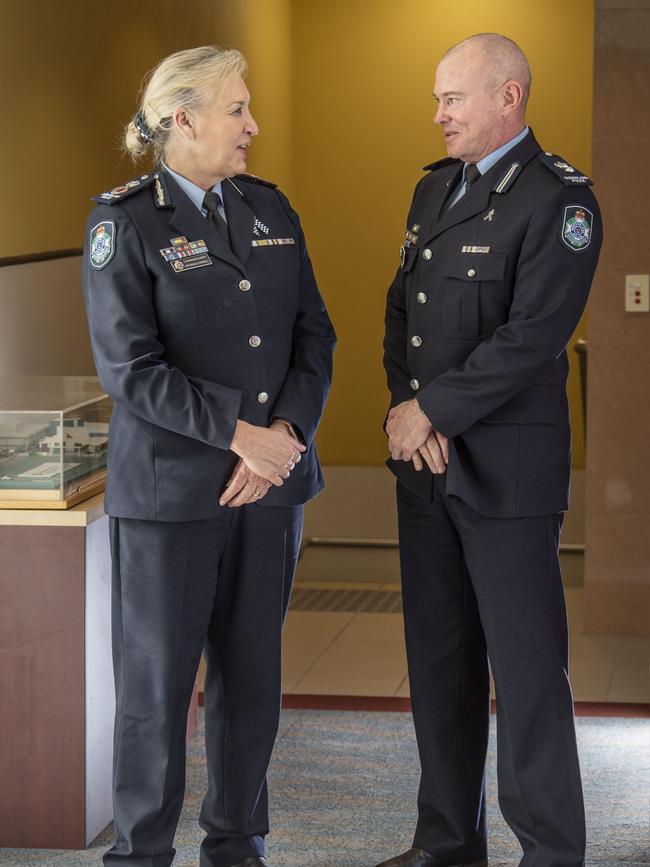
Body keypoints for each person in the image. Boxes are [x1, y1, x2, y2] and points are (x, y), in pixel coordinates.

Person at [82, 45, 335, 867]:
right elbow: (130, 368)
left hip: (270, 487)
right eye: (237, 111)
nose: (252, 125)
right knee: (157, 694)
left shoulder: (269, 208)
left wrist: (285, 438)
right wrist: (240, 435)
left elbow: (312, 336)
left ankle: (236, 844)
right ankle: (143, 852)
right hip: (169, 498)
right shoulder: (125, 220)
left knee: (252, 677)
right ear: (181, 119)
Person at [380, 33, 601, 867]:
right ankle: (447, 843)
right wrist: (410, 408)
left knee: (528, 672)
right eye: (438, 99)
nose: (437, 114)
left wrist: (431, 410)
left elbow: (532, 336)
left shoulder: (560, 200)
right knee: (439, 667)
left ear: (508, 98)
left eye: (453, 99)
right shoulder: (433, 191)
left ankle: (550, 851)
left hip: (506, 475)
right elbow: (400, 315)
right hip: (426, 469)